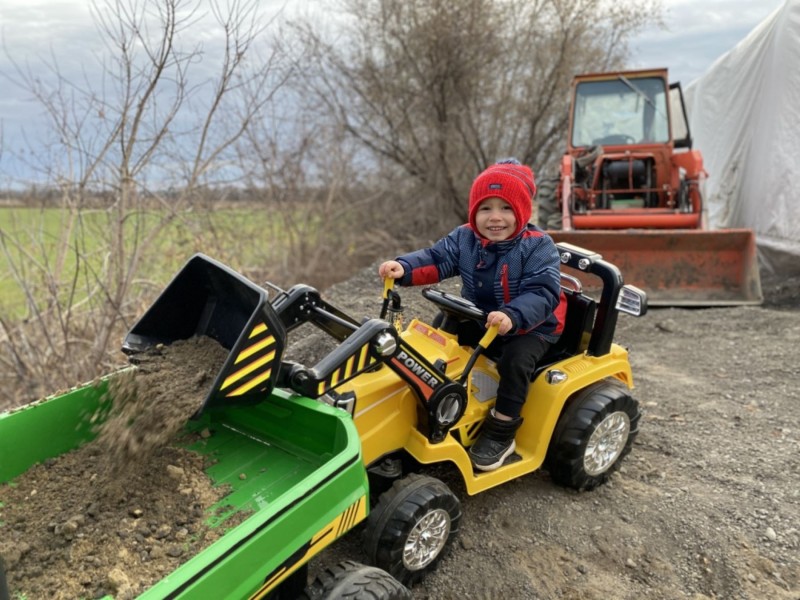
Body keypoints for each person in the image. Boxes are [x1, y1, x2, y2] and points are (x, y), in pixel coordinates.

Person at [378, 159, 565, 471]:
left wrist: (512, 315)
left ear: (521, 212)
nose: (495, 217)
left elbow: (542, 293)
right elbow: (436, 259)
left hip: (530, 325)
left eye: (505, 208)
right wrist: (405, 267)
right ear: (473, 212)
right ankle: (432, 397)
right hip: (481, 315)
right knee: (439, 334)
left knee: (516, 362)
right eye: (485, 208)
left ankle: (501, 431)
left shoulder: (538, 247)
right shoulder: (464, 238)